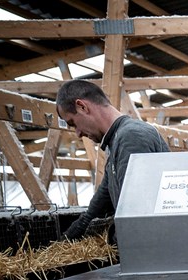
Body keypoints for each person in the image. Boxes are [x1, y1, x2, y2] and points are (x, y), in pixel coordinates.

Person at [56, 79, 171, 240]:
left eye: (73, 123)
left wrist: (113, 241)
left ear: (82, 106)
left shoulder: (131, 137)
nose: (78, 133)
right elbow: (103, 197)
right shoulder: (117, 140)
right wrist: (71, 235)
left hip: (152, 246)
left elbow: (135, 208)